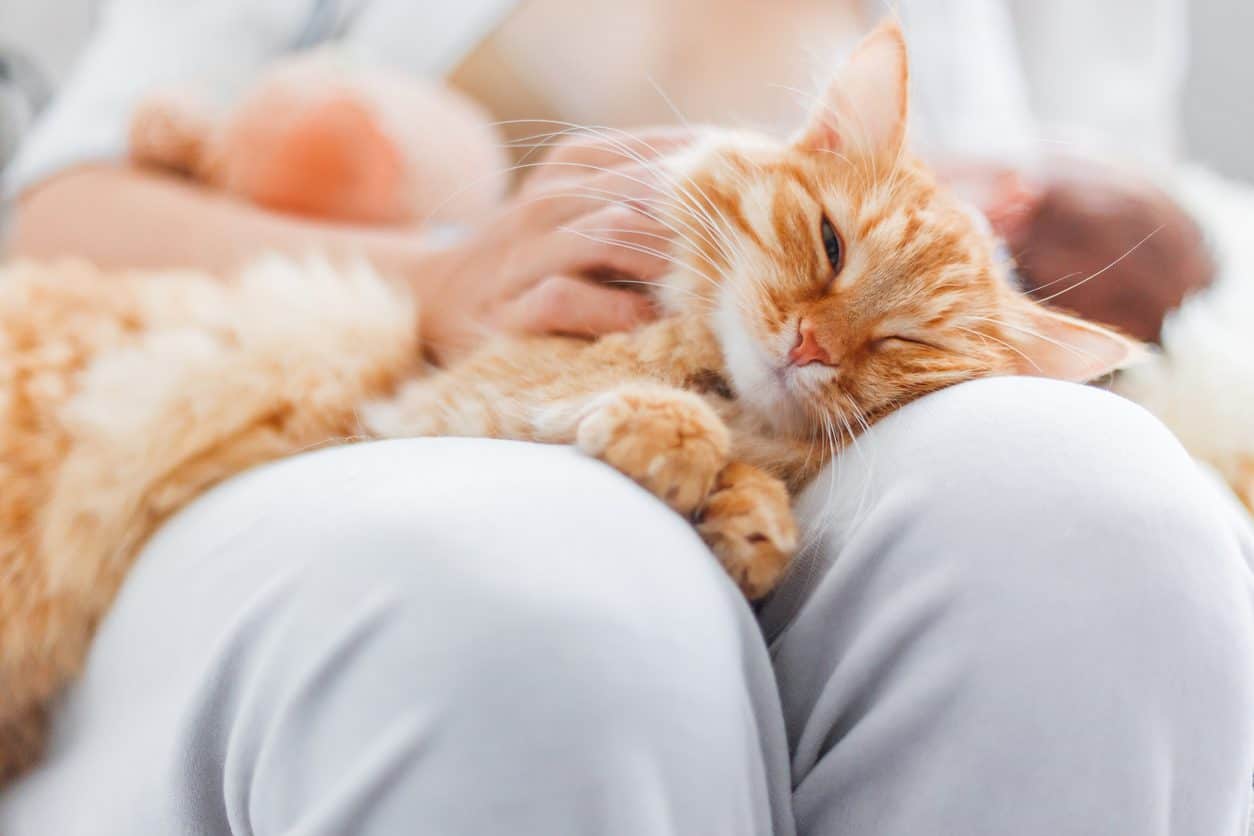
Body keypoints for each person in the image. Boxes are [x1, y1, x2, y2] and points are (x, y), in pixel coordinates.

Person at [2, 1, 1253, 833]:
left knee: (1105, 521)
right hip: (375, 385)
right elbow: (56, 210)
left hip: (845, 411)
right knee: (543, 588)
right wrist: (439, 277)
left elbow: (1124, 264)